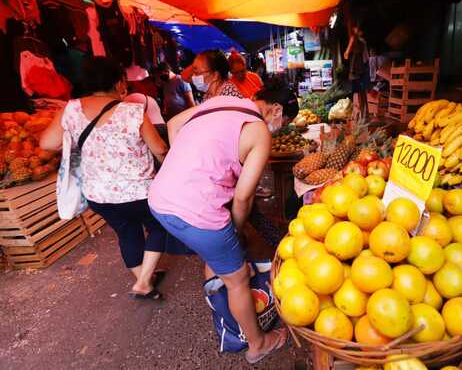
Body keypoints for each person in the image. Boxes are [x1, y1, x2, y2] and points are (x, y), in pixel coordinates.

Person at [148, 91, 288, 364]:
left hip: (160, 199)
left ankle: (222, 300)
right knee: (238, 280)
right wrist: (233, 232)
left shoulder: (218, 102)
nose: (280, 129)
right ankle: (257, 344)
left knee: (218, 255)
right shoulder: (259, 131)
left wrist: (189, 170)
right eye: (284, 122)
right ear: (276, 110)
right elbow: (243, 197)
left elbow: (175, 123)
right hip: (198, 211)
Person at [40, 57, 169, 300]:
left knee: (126, 232)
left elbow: (47, 143)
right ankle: (143, 281)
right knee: (159, 226)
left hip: (99, 195)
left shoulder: (70, 109)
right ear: (119, 81)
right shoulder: (133, 111)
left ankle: (145, 279)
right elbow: (160, 149)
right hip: (140, 193)